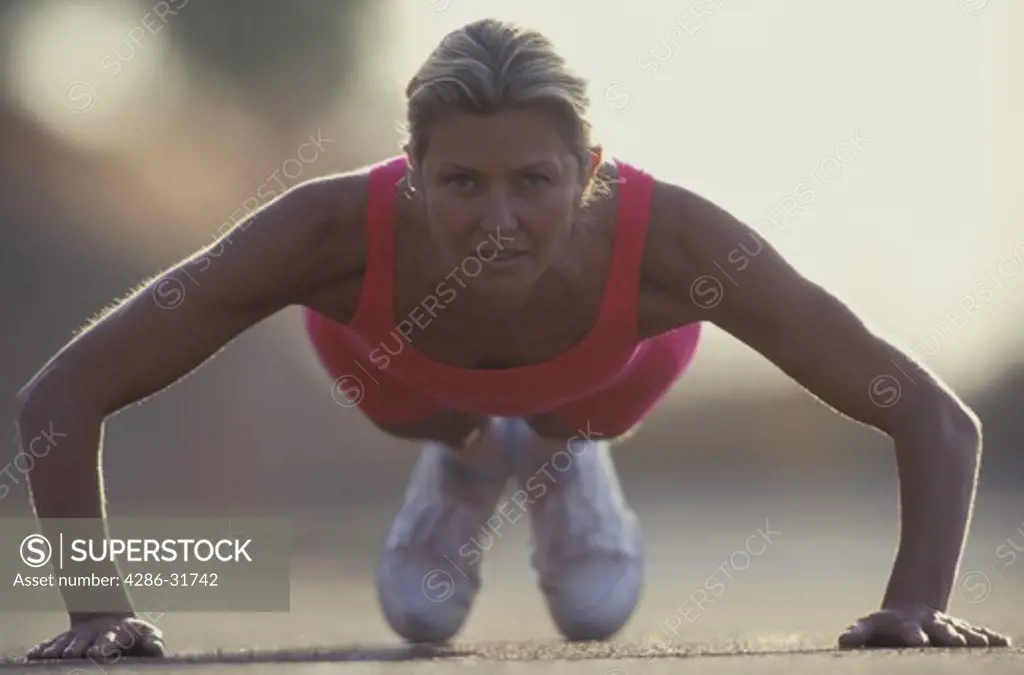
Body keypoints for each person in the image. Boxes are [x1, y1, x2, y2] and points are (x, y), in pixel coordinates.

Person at [15, 17, 1010, 662]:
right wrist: (97, 612)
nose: (497, 219)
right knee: (421, 611)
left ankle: (559, 454)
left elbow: (931, 414)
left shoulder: (676, 240)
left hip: (606, 382)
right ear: (410, 173)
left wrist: (915, 604)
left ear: (589, 174)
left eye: (532, 183)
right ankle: (463, 458)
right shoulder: (323, 231)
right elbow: (63, 392)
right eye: (461, 184)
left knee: (590, 608)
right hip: (401, 379)